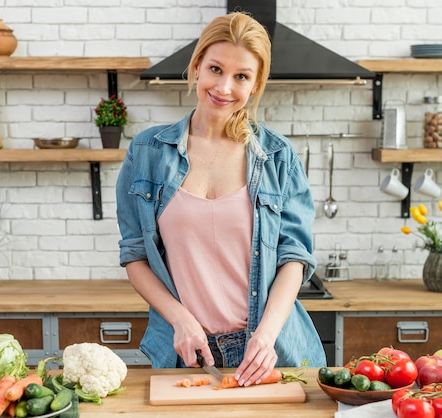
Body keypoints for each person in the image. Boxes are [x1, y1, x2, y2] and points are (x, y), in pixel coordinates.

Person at [116, 11, 326, 387]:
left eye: (241, 76)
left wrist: (265, 335)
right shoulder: (147, 152)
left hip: (270, 350)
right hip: (186, 353)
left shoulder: (278, 157)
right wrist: (181, 320)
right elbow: (135, 256)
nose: (224, 87)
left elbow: (294, 257)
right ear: (196, 67)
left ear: (256, 83)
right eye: (215, 69)